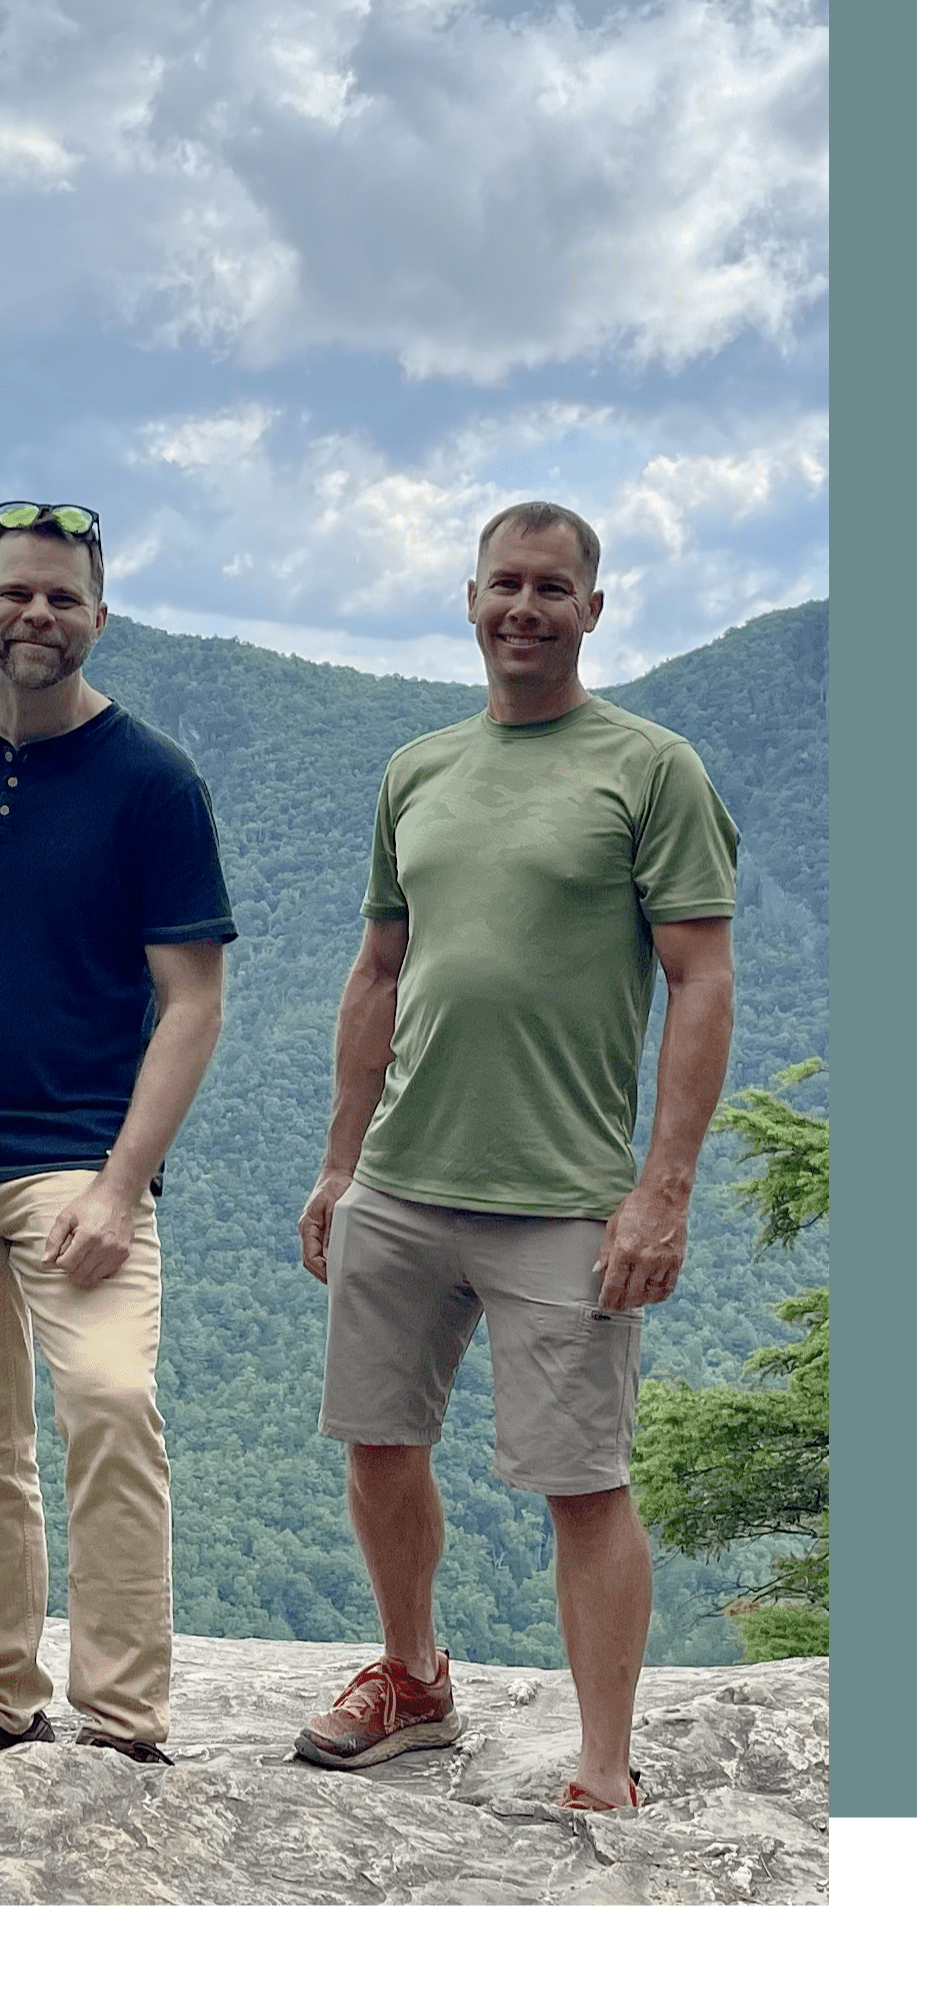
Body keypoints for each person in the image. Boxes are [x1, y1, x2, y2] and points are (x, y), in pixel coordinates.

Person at [294, 501, 737, 1814]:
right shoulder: (418, 768)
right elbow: (378, 969)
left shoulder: (652, 768)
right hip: (404, 1173)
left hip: (564, 1195)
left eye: (554, 587)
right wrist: (337, 1164)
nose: (525, 607)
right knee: (379, 1440)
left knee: (582, 1477)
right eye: (506, 584)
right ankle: (413, 1676)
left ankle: (605, 1763)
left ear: (592, 609)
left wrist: (664, 1190)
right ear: (470, 597)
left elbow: (702, 979)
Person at [0, 500, 233, 1771]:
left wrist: (124, 1184)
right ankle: (0, 1693)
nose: (38, 616)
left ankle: (122, 1719)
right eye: (17, 594)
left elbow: (192, 1000)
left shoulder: (152, 781)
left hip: (79, 1158)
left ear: (98, 617)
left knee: (110, 1400)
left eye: (63, 599)